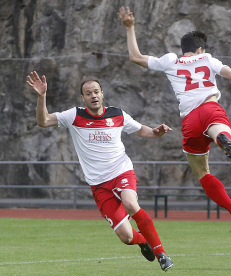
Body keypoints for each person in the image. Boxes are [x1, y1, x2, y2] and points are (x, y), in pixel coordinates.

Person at [118, 6, 231, 237]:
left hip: (190, 119)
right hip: (210, 107)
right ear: (200, 49)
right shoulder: (208, 59)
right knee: (217, 127)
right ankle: (222, 138)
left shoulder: (171, 61)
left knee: (203, 173)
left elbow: (135, 57)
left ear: (183, 50)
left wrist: (130, 27)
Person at [27, 71, 174, 271]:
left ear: (102, 94)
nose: (93, 96)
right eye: (88, 93)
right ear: (83, 98)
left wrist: (156, 132)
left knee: (131, 203)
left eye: (96, 92)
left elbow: (141, 130)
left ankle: (161, 254)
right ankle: (142, 241)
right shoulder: (74, 116)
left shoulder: (117, 114)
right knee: (126, 236)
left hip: (121, 171)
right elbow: (43, 121)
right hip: (99, 185)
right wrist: (42, 96)